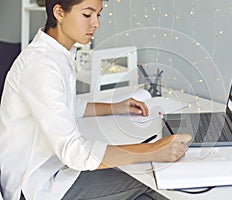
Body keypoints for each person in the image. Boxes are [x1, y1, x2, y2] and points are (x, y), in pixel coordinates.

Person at [0, 0, 191, 199]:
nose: (96, 23)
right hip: (35, 184)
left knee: (132, 166)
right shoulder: (41, 66)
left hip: (51, 168)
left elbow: (68, 105)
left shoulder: (57, 53)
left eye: (98, 15)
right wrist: (152, 150)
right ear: (59, 13)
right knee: (150, 184)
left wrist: (116, 107)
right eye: (87, 14)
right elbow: (74, 153)